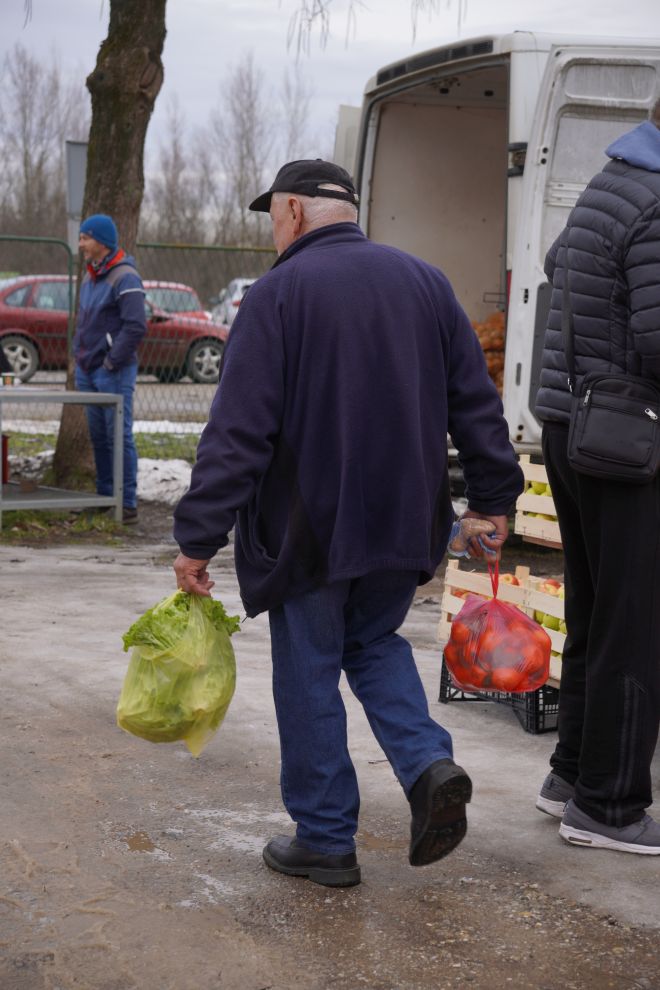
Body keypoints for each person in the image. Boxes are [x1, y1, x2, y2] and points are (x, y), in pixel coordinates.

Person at [173, 159, 524, 887]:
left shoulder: (277, 296)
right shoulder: (427, 284)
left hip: (310, 529)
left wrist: (198, 536)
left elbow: (237, 433)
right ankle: (428, 765)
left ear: (295, 211)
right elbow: (477, 406)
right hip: (407, 521)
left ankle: (326, 837)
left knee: (308, 667)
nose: (273, 229)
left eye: (273, 215)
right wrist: (491, 497)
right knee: (372, 640)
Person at [534, 101, 660, 854]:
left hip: (572, 424)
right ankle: (609, 807)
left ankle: (571, 776)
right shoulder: (656, 197)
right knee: (635, 624)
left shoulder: (615, 179)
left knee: (596, 613)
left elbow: (560, 273)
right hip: (624, 441)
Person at [74, 214, 147, 524]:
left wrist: (110, 361)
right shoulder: (92, 276)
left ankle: (126, 503)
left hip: (112, 370)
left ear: (101, 242)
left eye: (84, 238)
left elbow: (135, 326)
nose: (80, 245)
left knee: (119, 436)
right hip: (87, 369)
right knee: (99, 437)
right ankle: (105, 496)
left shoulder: (125, 276)